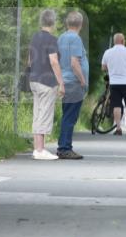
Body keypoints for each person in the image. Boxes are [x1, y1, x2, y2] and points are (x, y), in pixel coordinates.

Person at [29, 9, 64, 160]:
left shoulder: (34, 37)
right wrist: (61, 83)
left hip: (34, 80)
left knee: (37, 114)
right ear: (53, 23)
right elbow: (54, 61)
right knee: (44, 115)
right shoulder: (52, 39)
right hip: (47, 82)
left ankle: (37, 149)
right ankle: (40, 149)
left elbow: (29, 61)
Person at [56, 11, 89, 160]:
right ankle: (64, 148)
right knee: (70, 117)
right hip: (74, 83)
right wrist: (83, 80)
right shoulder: (75, 38)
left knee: (67, 116)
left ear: (67, 23)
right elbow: (74, 63)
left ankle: (64, 146)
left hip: (65, 81)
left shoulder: (61, 37)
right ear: (80, 24)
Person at [101, 33, 126, 136]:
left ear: (114, 41)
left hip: (114, 83)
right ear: (122, 41)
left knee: (116, 105)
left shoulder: (108, 52)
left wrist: (112, 70)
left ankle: (118, 128)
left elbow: (103, 68)